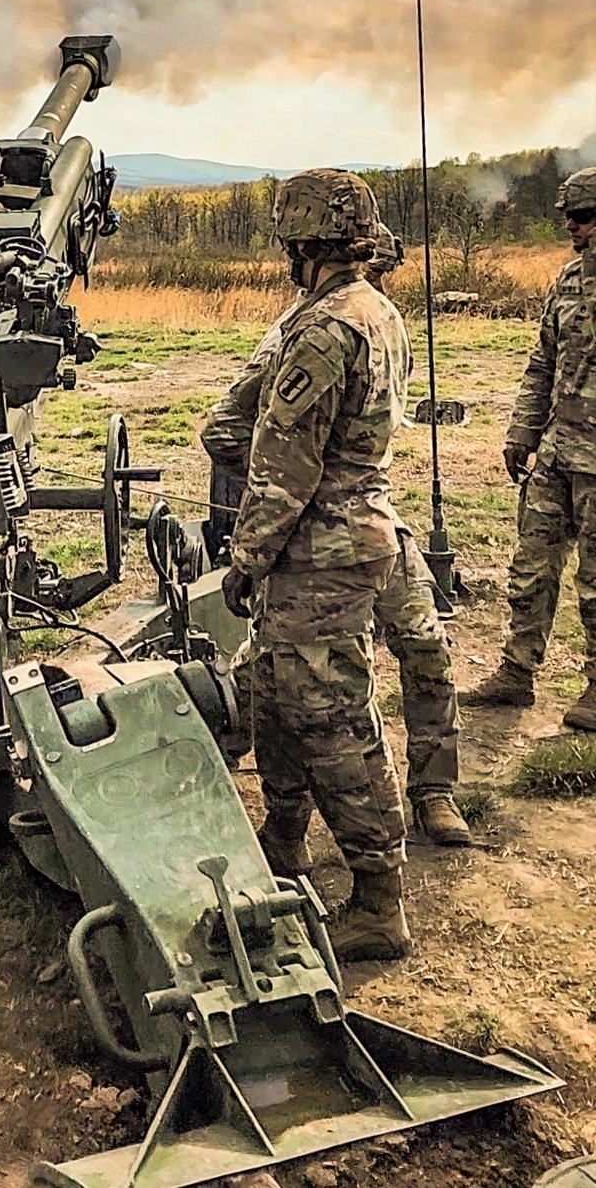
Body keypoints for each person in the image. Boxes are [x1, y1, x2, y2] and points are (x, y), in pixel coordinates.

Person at [202, 222, 470, 851]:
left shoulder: (376, 317)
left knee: (423, 650)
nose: (380, 273)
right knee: (291, 685)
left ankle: (435, 792)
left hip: (370, 524)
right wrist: (270, 520)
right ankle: (287, 821)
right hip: (318, 536)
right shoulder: (303, 330)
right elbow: (233, 426)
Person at [206, 168, 413, 963]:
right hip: (339, 541)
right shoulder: (374, 309)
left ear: (301, 241)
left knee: (334, 719)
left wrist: (246, 558)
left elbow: (282, 466)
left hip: (319, 551)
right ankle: (284, 838)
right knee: (278, 691)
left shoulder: (325, 329)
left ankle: (378, 897)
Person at [466, 166, 596, 730]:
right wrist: (523, 431)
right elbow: (542, 363)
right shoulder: (568, 281)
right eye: (569, 215)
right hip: (557, 451)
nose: (573, 225)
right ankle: (516, 674)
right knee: (532, 567)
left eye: (584, 216)